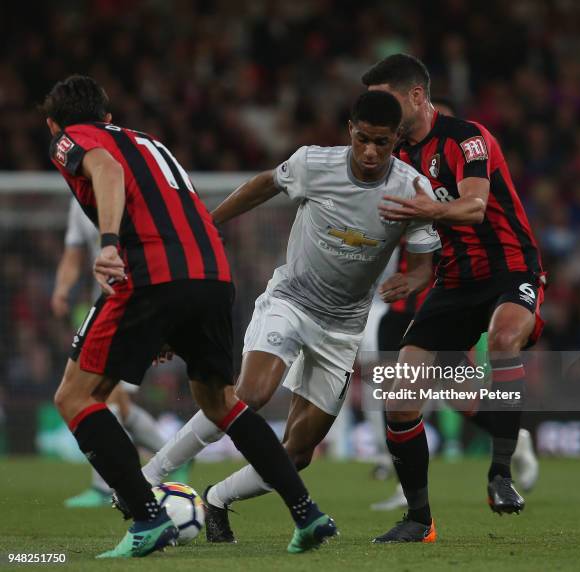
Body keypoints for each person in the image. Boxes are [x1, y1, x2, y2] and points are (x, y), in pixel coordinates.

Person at [44, 74, 335, 558]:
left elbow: (107, 172)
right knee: (220, 400)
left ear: (54, 124)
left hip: (152, 271)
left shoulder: (70, 139)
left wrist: (111, 244)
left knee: (74, 396)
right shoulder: (149, 142)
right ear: (109, 116)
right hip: (212, 273)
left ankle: (146, 519)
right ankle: (308, 513)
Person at [136, 90, 441, 543]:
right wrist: (208, 223)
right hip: (291, 301)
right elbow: (264, 184)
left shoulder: (413, 189)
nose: (372, 152)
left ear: (397, 139)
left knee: (298, 453)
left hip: (343, 327)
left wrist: (414, 280)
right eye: (363, 140)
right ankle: (150, 475)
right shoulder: (314, 164)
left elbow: (422, 264)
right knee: (251, 393)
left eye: (383, 142)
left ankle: (217, 498)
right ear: (349, 132)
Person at [361, 54, 545, 543]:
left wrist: (425, 206)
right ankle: (419, 520)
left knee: (504, 340)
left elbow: (476, 207)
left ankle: (500, 473)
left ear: (416, 97)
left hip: (510, 268)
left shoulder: (466, 138)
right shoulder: (397, 156)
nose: (380, 110)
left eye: (387, 100)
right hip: (453, 281)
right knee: (401, 395)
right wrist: (419, 272)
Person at [52, 198, 184, 508]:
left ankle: (105, 486)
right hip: (107, 305)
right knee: (117, 404)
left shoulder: (137, 191)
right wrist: (61, 288)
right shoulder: (78, 200)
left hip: (136, 302)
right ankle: (173, 456)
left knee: (95, 396)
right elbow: (73, 254)